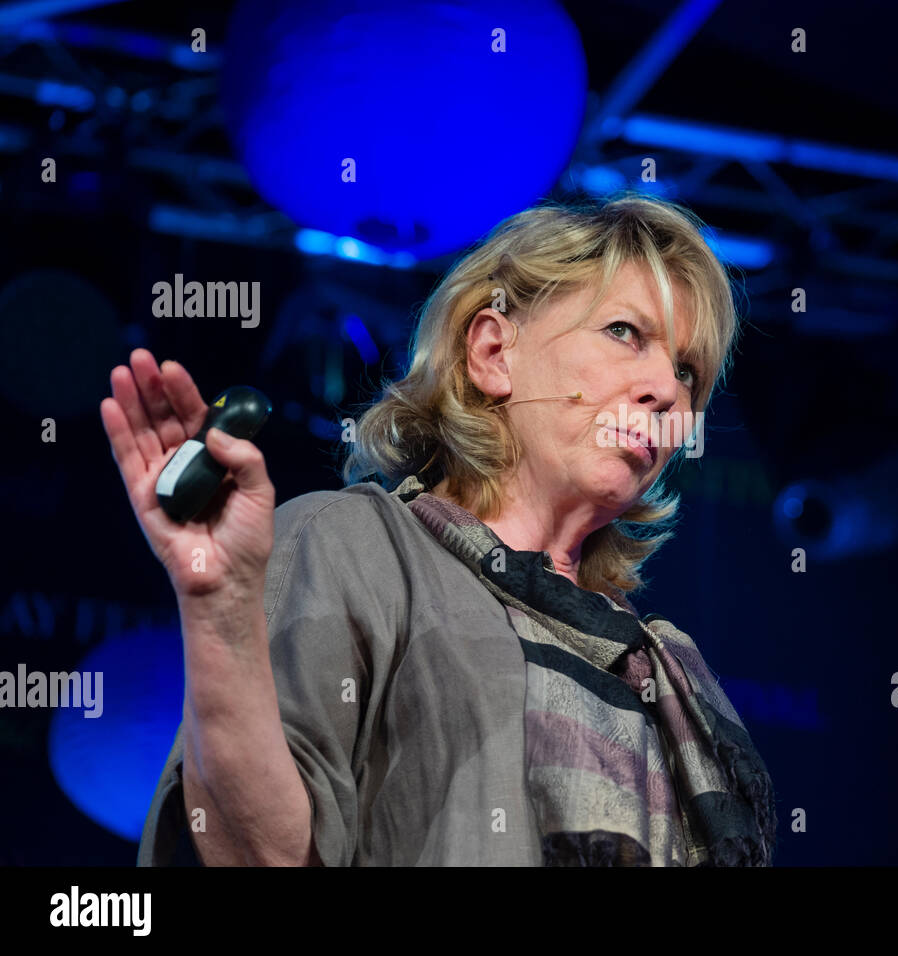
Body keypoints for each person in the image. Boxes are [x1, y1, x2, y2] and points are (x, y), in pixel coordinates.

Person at [104, 193, 777, 866]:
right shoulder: (354, 546)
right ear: (492, 351)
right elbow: (258, 857)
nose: (665, 385)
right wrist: (222, 611)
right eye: (625, 332)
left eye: (689, 371)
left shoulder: (666, 673)